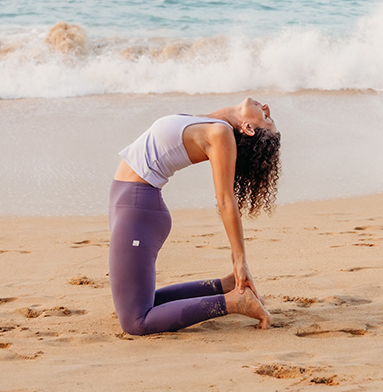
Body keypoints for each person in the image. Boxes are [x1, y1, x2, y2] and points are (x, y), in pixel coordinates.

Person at [109, 97, 281, 335]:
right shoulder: (213, 122)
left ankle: (234, 302)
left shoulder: (221, 134)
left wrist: (240, 259)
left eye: (267, 118)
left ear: (249, 128)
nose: (266, 108)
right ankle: (227, 286)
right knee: (145, 304)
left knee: (136, 321)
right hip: (132, 205)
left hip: (139, 212)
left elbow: (225, 200)